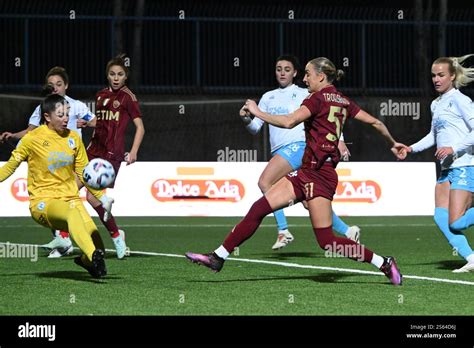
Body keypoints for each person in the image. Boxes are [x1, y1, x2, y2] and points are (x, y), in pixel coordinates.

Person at [186, 57, 405, 285]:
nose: (304, 78)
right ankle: (217, 257)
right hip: (305, 172)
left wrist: (256, 111)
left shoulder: (316, 99)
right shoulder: (343, 101)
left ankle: (383, 262)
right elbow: (376, 123)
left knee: (327, 241)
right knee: (259, 208)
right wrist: (392, 142)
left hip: (320, 175)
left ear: (321, 76)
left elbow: (290, 121)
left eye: (308, 74)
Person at [240, 55, 360, 250]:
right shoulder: (267, 97)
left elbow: (330, 114)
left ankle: (283, 230)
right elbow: (255, 128)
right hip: (282, 151)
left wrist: (340, 140)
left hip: (299, 146)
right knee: (307, 199)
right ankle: (347, 231)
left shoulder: (305, 92)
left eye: (287, 69)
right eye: (278, 69)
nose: (282, 73)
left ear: (295, 73)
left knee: (264, 182)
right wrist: (246, 119)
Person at [0, 94, 112, 278]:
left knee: (97, 241)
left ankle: (87, 261)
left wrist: (102, 197)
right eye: (60, 115)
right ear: (47, 117)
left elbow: (85, 174)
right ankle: (92, 257)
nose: (66, 119)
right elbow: (9, 168)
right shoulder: (31, 139)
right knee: (73, 214)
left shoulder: (74, 138)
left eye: (68, 114)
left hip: (71, 198)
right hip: (43, 203)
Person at [0, 66, 99, 258]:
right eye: (51, 85)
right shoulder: (43, 108)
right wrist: (13, 136)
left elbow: (96, 121)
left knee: (75, 203)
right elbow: (30, 131)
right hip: (51, 163)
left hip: (71, 163)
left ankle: (85, 241)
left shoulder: (76, 106)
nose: (55, 88)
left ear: (66, 86)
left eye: (59, 84)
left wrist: (85, 123)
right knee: (62, 204)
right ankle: (70, 241)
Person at [401, 54, 474, 273]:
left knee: (456, 222)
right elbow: (433, 136)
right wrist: (410, 148)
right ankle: (471, 258)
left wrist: (454, 148)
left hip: (464, 165)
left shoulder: (461, 100)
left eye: (441, 75)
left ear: (452, 76)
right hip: (446, 168)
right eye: (433, 75)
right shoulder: (436, 104)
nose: (436, 79)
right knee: (440, 216)